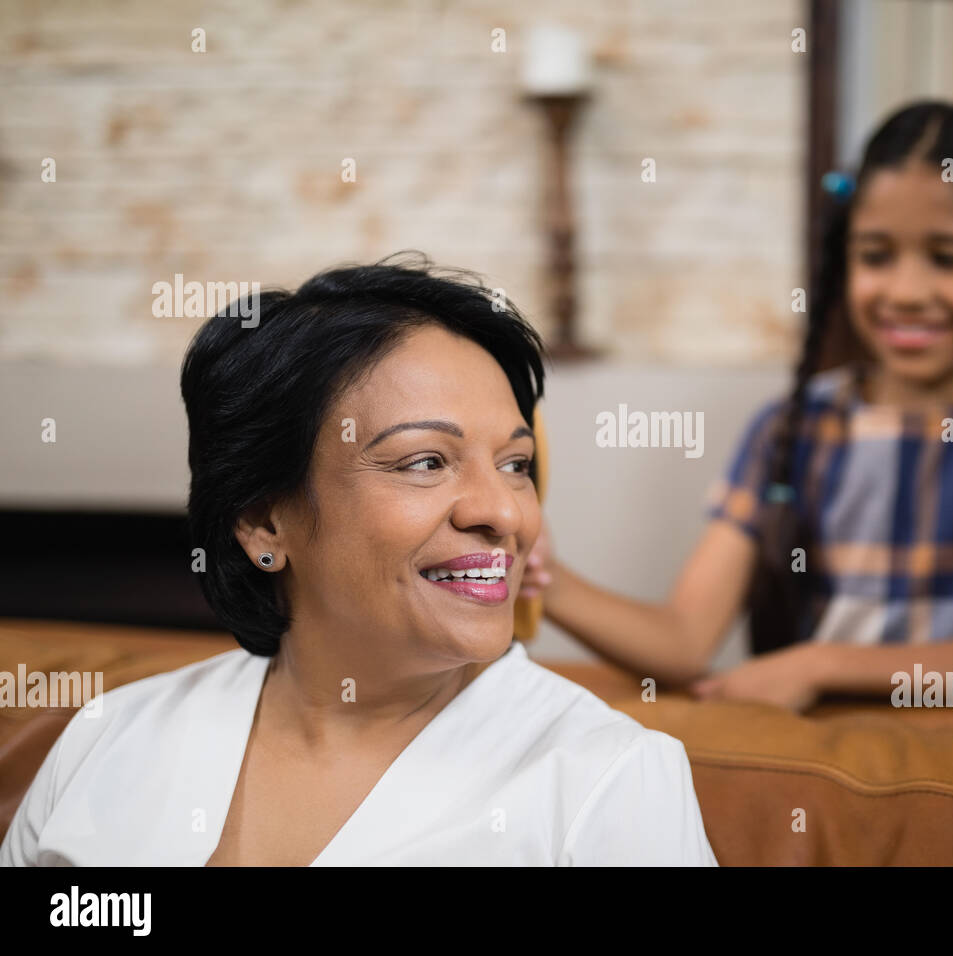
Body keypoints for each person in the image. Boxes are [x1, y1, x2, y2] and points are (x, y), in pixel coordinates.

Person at [0, 255, 717, 866]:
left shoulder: (611, 781)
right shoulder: (111, 739)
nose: (504, 512)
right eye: (426, 461)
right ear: (261, 521)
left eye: (516, 464)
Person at [524, 101, 953, 717]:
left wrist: (821, 662)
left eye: (949, 258)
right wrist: (536, 571)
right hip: (836, 764)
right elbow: (685, 640)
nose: (906, 292)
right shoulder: (792, 427)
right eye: (876, 255)